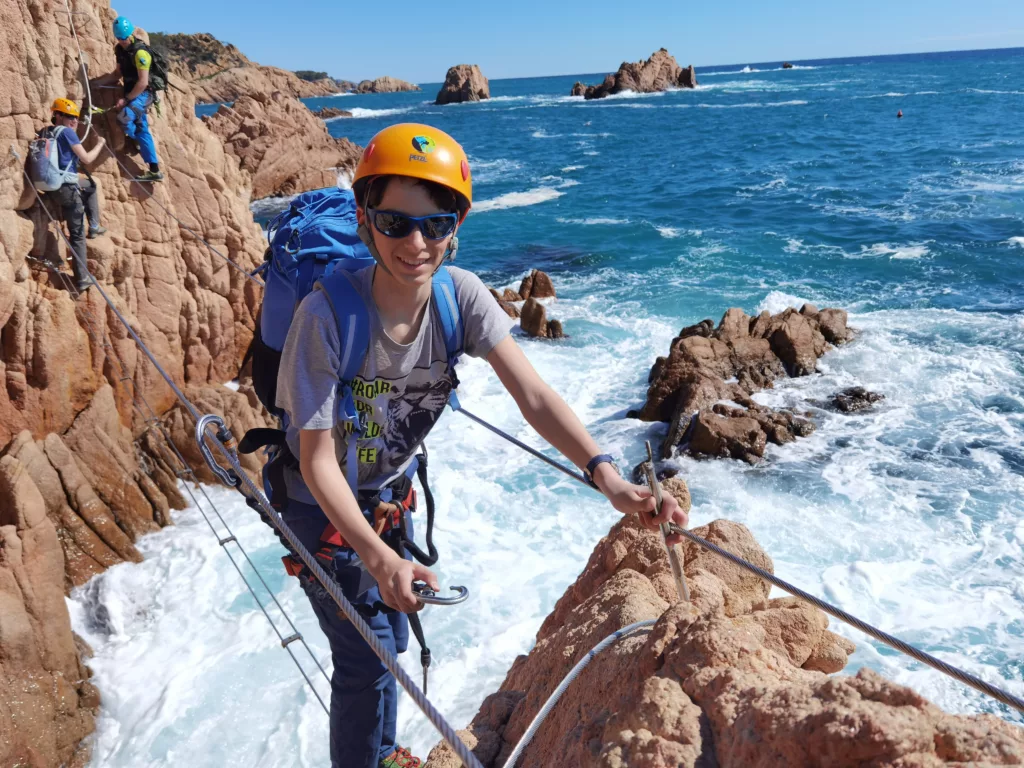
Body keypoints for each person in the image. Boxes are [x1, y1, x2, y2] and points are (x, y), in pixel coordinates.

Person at [273, 123, 688, 768]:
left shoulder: (459, 297)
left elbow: (535, 395)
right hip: (319, 504)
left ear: (456, 226)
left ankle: (378, 752)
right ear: (363, 220)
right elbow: (316, 458)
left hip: (387, 493)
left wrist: (609, 477)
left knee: (387, 645)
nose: (417, 242)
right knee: (367, 652)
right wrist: (382, 560)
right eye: (394, 222)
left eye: (435, 225)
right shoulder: (326, 316)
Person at [39, 98, 107, 292]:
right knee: (77, 235)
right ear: (57, 115)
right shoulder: (68, 133)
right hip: (66, 190)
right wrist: (100, 144)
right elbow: (86, 158)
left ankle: (94, 225)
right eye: (70, 116)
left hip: (51, 187)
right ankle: (82, 277)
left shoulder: (46, 131)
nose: (74, 121)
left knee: (90, 185)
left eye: (76, 118)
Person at [107, 16, 163, 182]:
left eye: (124, 37)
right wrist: (94, 83)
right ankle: (154, 170)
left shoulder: (140, 53)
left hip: (145, 93)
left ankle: (135, 139)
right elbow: (117, 74)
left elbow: (143, 82)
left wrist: (126, 99)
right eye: (119, 38)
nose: (122, 41)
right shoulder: (120, 50)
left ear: (131, 34)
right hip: (132, 93)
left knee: (124, 117)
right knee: (142, 128)